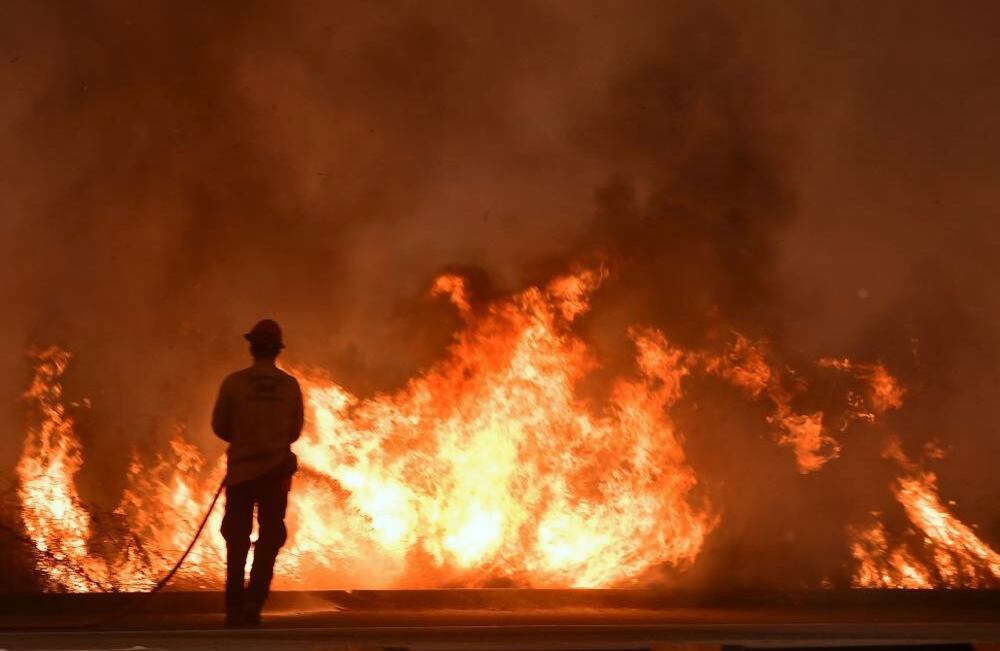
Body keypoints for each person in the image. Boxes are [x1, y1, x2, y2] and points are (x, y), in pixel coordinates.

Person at [212, 319, 304, 627]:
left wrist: (246, 441)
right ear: (277, 351)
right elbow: (294, 430)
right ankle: (254, 604)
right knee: (269, 538)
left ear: (251, 347)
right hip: (274, 476)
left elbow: (220, 426)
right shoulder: (290, 386)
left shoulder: (234, 383)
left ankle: (233, 608)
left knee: (236, 540)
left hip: (240, 475)